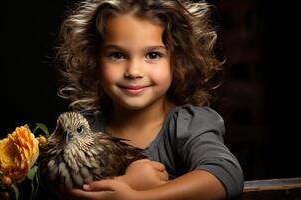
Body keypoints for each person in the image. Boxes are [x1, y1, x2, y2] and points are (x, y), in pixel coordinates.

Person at [55, 0, 244, 199]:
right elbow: (58, 188)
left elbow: (226, 174)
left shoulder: (188, 125)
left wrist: (137, 197)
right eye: (118, 55)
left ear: (178, 60)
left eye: (153, 54)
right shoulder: (81, 128)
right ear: (95, 60)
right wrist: (127, 183)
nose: (134, 71)